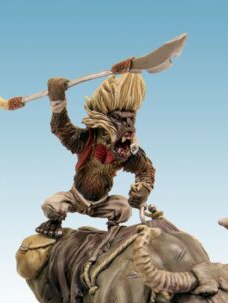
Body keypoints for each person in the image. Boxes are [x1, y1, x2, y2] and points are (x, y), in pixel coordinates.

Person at [36, 73, 156, 238]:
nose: (129, 126)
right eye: (119, 119)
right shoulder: (86, 140)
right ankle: (54, 223)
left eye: (131, 120)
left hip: (102, 203)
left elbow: (145, 170)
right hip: (75, 197)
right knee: (51, 204)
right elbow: (61, 129)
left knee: (124, 209)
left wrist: (143, 188)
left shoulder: (129, 150)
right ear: (103, 121)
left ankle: (113, 229)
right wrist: (58, 101)